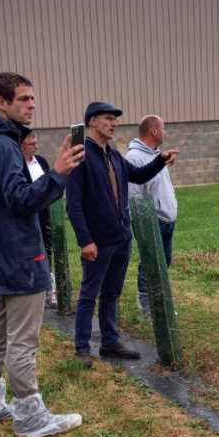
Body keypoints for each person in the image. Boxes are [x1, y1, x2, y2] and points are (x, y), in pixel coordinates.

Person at [0, 71, 85, 437]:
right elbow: (20, 201)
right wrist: (59, 174)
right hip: (19, 259)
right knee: (22, 340)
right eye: (23, 99)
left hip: (1, 257)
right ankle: (31, 418)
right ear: (2, 103)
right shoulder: (3, 146)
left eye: (32, 98)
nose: (32, 105)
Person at [66, 102, 179, 368]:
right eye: (109, 118)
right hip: (97, 242)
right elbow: (74, 203)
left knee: (111, 293)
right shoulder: (81, 155)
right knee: (88, 294)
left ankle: (109, 342)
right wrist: (85, 240)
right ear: (93, 122)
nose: (114, 123)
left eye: (115, 119)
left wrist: (160, 160)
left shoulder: (115, 155)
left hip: (121, 239)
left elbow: (138, 176)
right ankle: (81, 348)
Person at [126, 115, 178, 323]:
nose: (165, 132)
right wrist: (144, 224)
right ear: (154, 131)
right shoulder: (134, 158)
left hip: (166, 222)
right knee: (150, 265)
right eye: (163, 128)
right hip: (151, 223)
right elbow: (134, 196)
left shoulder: (156, 154)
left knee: (163, 264)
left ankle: (161, 305)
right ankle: (147, 310)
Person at [20, 131, 58, 308]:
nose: (36, 146)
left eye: (36, 143)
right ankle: (33, 287)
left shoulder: (40, 161)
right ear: (23, 146)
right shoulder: (19, 164)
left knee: (47, 248)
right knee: (32, 251)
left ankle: (49, 290)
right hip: (29, 213)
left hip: (44, 212)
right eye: (32, 144)